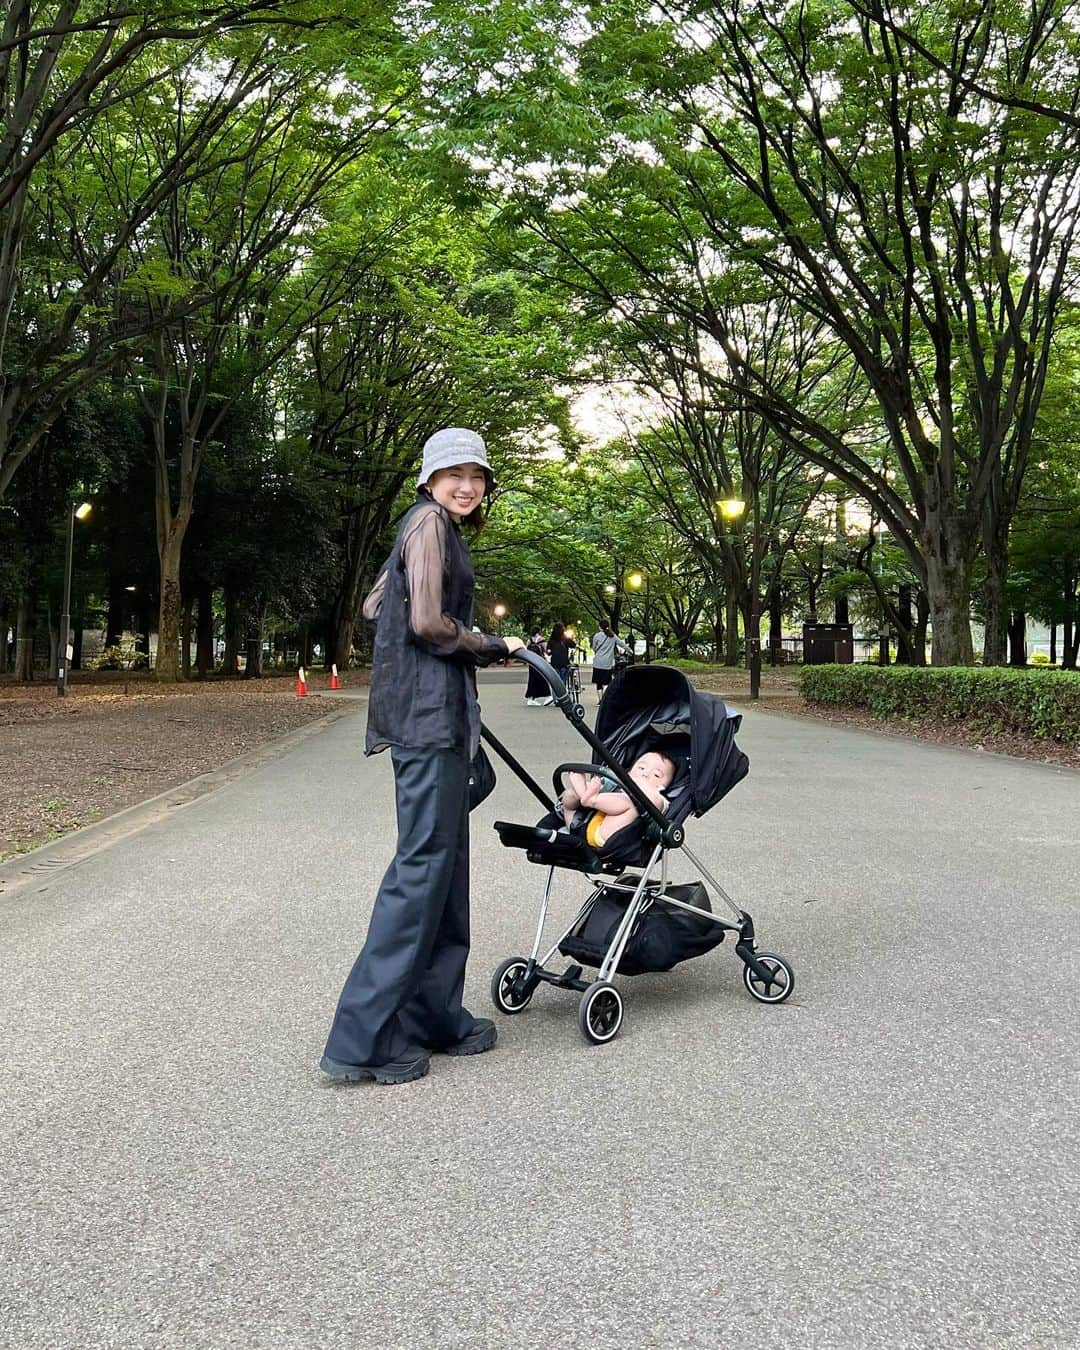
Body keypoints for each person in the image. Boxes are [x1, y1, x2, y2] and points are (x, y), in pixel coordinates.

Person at [321, 427, 524, 1086]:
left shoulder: (428, 529)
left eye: (476, 475)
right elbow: (428, 624)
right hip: (427, 720)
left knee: (446, 870)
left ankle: (438, 1015)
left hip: (433, 715)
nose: (466, 485)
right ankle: (363, 1040)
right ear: (429, 479)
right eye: (452, 473)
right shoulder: (430, 522)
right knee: (420, 873)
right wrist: (490, 643)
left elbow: (376, 602)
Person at [561, 751, 676, 849]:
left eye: (656, 775)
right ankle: (582, 793)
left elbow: (655, 802)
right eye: (641, 768)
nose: (645, 774)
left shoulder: (658, 797)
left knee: (632, 803)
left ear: (664, 786)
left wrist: (642, 786)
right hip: (575, 823)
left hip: (605, 834)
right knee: (571, 795)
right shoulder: (615, 783)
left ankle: (591, 799)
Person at [590, 620, 630, 701]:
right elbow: (621, 644)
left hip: (598, 662)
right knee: (607, 682)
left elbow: (594, 648)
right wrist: (630, 650)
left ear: (600, 627)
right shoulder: (613, 636)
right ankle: (605, 698)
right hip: (608, 663)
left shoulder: (597, 636)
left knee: (599, 682)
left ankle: (600, 700)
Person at [524, 631, 552, 705]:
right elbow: (546, 650)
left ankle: (531, 698)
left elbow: (525, 650)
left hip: (531, 663)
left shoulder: (529, 640)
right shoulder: (542, 640)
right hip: (540, 662)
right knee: (543, 678)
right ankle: (548, 696)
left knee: (532, 680)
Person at [547, 622, 576, 689]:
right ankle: (562, 697)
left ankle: (555, 698)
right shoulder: (565, 638)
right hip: (564, 663)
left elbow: (548, 651)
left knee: (555, 683)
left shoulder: (551, 639)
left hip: (554, 663)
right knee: (563, 681)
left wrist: (551, 651)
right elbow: (573, 645)